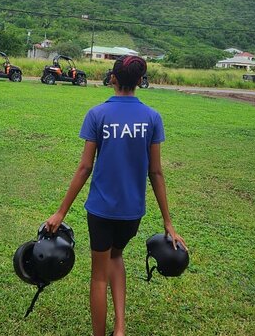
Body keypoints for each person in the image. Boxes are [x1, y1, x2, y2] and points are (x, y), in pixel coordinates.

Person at [45, 55, 187, 336]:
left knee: (99, 277)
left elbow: (85, 166)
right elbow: (156, 173)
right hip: (131, 212)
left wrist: (60, 212)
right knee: (116, 256)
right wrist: (168, 223)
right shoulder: (151, 117)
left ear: (113, 78)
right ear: (139, 81)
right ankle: (120, 330)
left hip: (101, 210)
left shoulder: (98, 114)